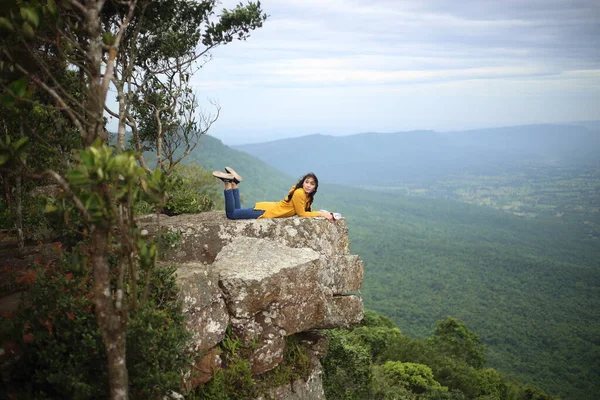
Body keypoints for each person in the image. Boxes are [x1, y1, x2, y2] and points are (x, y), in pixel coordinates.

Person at [213, 167, 335, 221]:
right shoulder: (299, 193)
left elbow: (307, 211)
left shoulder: (306, 196)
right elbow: (302, 214)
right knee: (232, 214)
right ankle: (228, 183)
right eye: (306, 182)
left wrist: (323, 213)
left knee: (237, 210)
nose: (308, 185)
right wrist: (321, 214)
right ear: (303, 183)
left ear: (315, 187)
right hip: (265, 212)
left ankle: (235, 183)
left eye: (311, 184)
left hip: (268, 208)